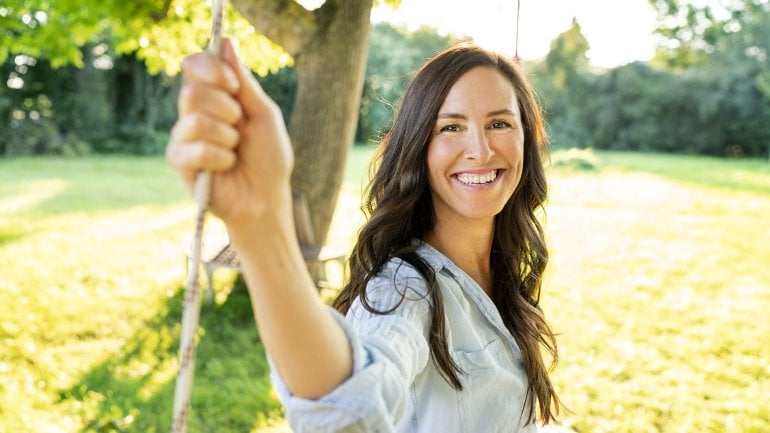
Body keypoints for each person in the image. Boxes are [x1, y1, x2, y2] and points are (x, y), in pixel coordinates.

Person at [167, 38, 564, 432]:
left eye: (499, 123)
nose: (480, 150)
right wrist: (258, 226)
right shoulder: (404, 288)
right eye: (450, 127)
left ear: (526, 139)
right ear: (418, 146)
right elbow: (349, 408)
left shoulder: (502, 269)